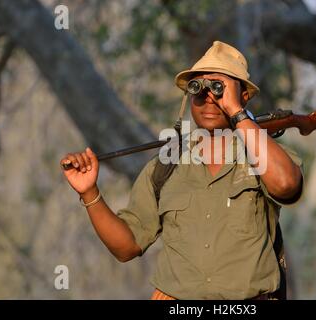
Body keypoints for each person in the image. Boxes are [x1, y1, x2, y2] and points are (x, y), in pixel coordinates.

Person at [60, 41, 303, 300]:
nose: (209, 97)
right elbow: (126, 247)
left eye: (219, 88)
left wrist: (235, 111)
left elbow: (286, 184)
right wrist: (90, 193)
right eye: (198, 89)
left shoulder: (260, 155)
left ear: (243, 96)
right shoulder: (166, 165)